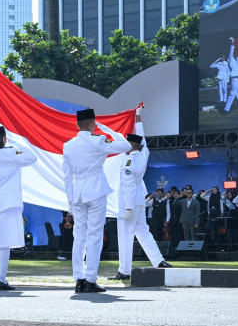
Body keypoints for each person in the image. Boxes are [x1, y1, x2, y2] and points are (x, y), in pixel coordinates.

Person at [63, 108, 134, 294]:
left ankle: (78, 278)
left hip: (78, 193)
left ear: (77, 125)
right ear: (93, 124)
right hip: (95, 190)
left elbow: (67, 176)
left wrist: (70, 201)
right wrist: (107, 129)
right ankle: (90, 279)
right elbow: (125, 145)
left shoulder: (68, 145)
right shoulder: (98, 140)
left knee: (79, 237)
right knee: (94, 235)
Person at [111, 107, 171, 280]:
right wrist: (137, 116)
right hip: (139, 200)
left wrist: (128, 208)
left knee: (125, 236)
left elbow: (128, 185)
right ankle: (158, 261)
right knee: (143, 231)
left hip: (128, 203)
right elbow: (142, 136)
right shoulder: (143, 153)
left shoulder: (129, 161)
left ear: (132, 146)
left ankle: (124, 270)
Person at [0, 126, 37, 290]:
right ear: (4, 138)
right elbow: (32, 157)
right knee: (4, 244)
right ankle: (1, 280)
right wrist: (16, 141)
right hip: (7, 204)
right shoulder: (11, 154)